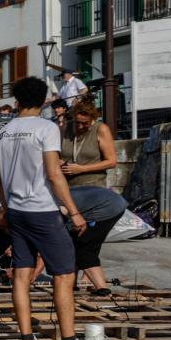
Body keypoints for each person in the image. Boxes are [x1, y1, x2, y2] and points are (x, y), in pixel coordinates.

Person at [0, 77, 106, 340]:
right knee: (64, 273)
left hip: (16, 210)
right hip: (42, 209)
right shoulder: (47, 128)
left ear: (17, 101)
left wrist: (6, 209)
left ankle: (25, 337)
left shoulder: (2, 133)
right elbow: (55, 174)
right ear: (43, 100)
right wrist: (75, 211)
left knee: (21, 273)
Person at [61, 96, 123, 294]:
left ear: (93, 120)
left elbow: (111, 161)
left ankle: (100, 286)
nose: (80, 126)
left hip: (92, 190)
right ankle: (73, 283)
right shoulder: (65, 128)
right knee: (70, 239)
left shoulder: (100, 129)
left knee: (84, 241)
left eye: (84, 123)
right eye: (77, 122)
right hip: (69, 190)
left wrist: (81, 169)